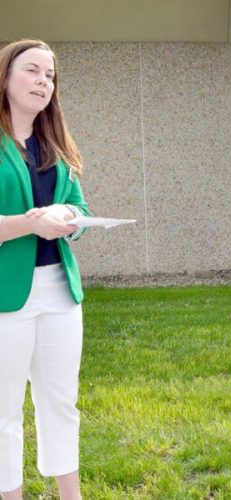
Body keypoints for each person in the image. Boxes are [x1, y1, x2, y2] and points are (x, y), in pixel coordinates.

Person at [0, 40, 89, 499]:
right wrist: (32, 222)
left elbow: (78, 209)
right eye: (33, 71)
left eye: (50, 76)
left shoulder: (55, 143)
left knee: (60, 402)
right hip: (5, 296)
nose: (43, 82)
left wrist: (71, 222)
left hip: (59, 290)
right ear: (5, 77)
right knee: (4, 410)